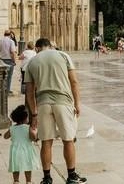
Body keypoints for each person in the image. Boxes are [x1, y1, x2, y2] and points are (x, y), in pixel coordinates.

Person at [25, 38, 87, 184]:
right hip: (63, 102)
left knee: (46, 141)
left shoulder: (32, 62)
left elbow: (29, 92)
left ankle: (47, 178)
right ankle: (71, 176)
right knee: (68, 139)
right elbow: (74, 82)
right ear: (50, 46)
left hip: (43, 103)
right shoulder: (63, 56)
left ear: (38, 48)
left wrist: (34, 113)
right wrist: (78, 103)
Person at [4, 104, 40, 184]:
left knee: (15, 166)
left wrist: (12, 132)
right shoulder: (27, 127)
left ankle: (16, 181)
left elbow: (5, 136)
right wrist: (35, 131)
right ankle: (28, 181)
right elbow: (33, 138)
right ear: (24, 118)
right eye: (27, 117)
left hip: (15, 150)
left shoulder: (12, 128)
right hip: (26, 150)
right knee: (27, 166)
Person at [1, 30, 19, 96]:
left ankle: (2, 89)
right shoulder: (11, 41)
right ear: (10, 35)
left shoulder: (0, 41)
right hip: (9, 60)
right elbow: (13, 52)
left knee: (2, 76)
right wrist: (14, 61)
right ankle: (7, 90)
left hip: (1, 60)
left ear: (4, 34)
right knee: (9, 77)